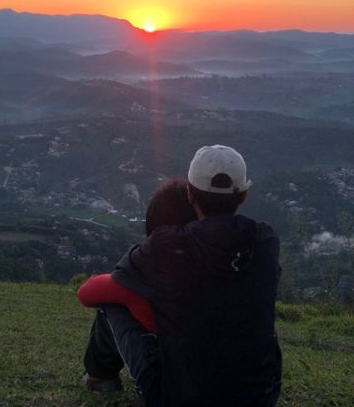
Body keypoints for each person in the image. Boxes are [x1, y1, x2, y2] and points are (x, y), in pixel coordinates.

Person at [81, 145, 282, 406]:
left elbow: (88, 294)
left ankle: (100, 379)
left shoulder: (166, 246)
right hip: (261, 398)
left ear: (190, 193)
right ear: (244, 194)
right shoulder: (265, 240)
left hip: (180, 400)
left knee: (110, 307)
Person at [78, 178, 196, 334]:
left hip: (159, 354)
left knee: (110, 311)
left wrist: (122, 273)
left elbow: (86, 293)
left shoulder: (141, 276)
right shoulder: (220, 263)